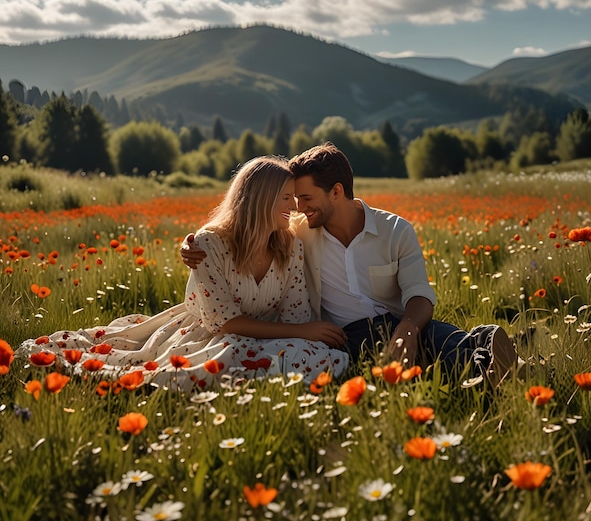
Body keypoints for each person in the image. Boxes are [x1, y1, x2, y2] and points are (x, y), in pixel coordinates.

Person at [182, 144, 518, 385]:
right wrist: (191, 246)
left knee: (438, 338)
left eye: (306, 199)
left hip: (400, 320)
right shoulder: (297, 232)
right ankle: (490, 363)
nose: (299, 209)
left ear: (337, 192)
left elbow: (419, 293)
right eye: (294, 200)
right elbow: (241, 225)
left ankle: (493, 362)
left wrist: (409, 328)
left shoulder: (395, 230)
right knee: (423, 360)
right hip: (348, 334)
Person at [18, 156, 350, 390]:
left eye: (294, 198)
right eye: (286, 198)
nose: (293, 208)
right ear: (260, 199)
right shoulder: (209, 244)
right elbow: (225, 323)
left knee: (319, 355)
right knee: (232, 351)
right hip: (210, 334)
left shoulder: (290, 246)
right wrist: (303, 332)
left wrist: (304, 333)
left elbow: (294, 316)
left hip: (264, 334)